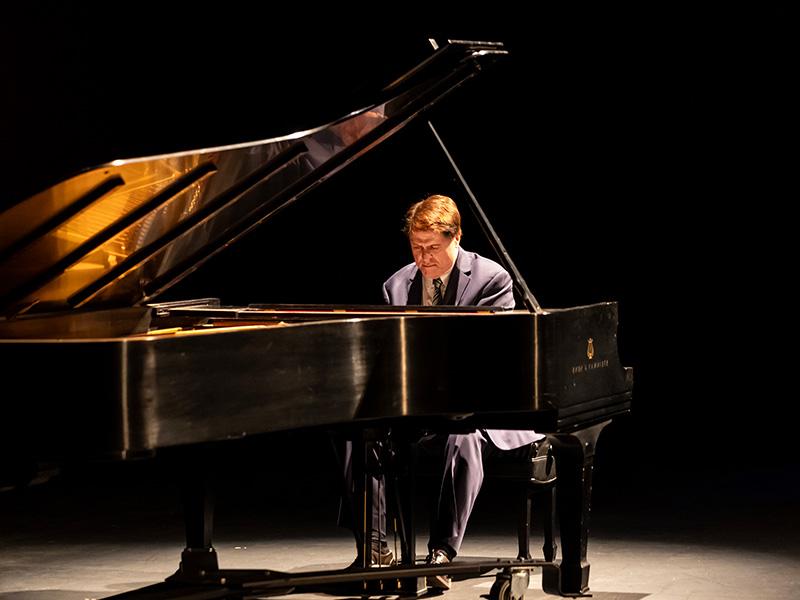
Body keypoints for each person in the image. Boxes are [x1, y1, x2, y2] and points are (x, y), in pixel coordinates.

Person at [341, 194, 543, 590]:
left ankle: (441, 554)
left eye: (432, 248)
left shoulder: (492, 278)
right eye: (416, 247)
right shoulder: (396, 285)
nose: (423, 258)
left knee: (462, 438)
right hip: (418, 407)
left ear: (457, 238)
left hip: (481, 407)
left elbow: (494, 358)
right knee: (356, 434)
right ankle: (374, 548)